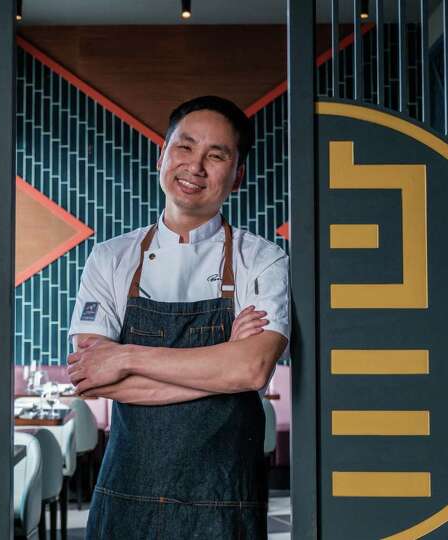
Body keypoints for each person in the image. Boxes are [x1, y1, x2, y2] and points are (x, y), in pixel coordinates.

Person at [66, 95, 290, 539]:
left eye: (217, 154)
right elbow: (94, 377)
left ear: (238, 175)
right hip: (128, 492)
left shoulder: (263, 259)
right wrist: (220, 361)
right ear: (162, 156)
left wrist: (126, 356)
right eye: (185, 147)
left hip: (223, 495)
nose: (196, 166)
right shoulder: (110, 258)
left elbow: (252, 368)